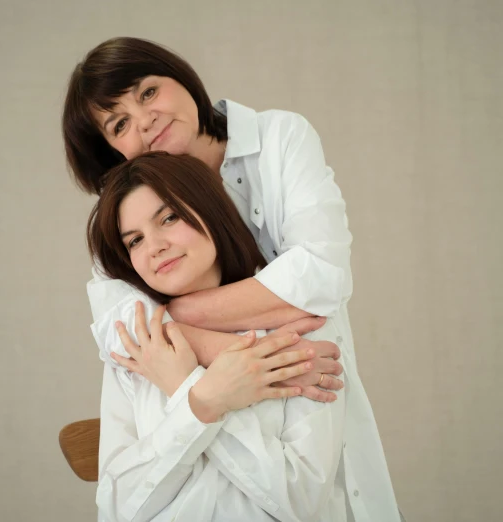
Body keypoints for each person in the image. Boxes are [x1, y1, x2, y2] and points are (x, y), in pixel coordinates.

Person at [63, 37, 401, 521]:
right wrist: (265, 369)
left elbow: (321, 278)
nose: (144, 120)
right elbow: (124, 329)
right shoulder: (124, 225)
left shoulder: (280, 138)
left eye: (148, 92)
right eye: (119, 124)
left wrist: (176, 322)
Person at [90, 152, 348, 521]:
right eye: (134, 241)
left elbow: (300, 499)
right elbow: (116, 509)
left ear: (209, 209)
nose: (154, 246)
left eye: (169, 217)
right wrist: (200, 403)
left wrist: (189, 392)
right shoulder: (136, 350)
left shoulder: (301, 328)